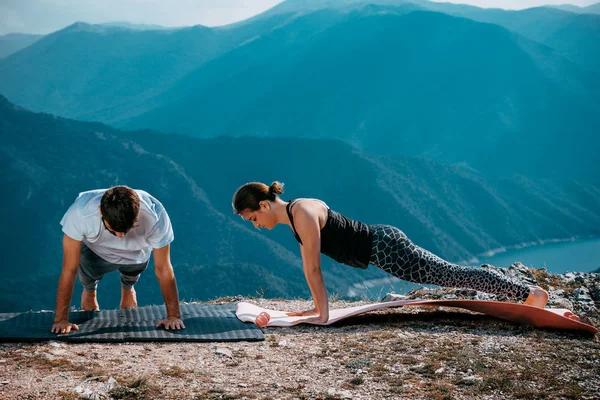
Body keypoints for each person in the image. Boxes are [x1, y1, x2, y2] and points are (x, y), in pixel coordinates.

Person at [232, 181, 549, 323]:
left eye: (253, 219)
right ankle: (525, 291)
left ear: (262, 205)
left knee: (452, 274)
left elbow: (313, 269)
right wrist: (316, 309)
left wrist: (322, 314)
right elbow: (308, 266)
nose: (256, 225)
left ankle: (528, 292)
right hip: (384, 243)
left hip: (386, 248)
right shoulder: (297, 214)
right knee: (451, 272)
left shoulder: (302, 213)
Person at [51, 186, 185, 334]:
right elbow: (69, 269)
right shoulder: (80, 213)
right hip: (96, 250)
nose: (120, 236)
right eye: (113, 230)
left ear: (137, 216)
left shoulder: (156, 216)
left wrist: (173, 316)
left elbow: (164, 269)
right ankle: (90, 291)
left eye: (127, 229)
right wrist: (61, 320)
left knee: (133, 271)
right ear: (101, 211)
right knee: (88, 272)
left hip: (136, 253)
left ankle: (128, 288)